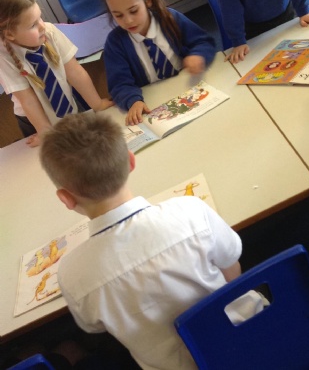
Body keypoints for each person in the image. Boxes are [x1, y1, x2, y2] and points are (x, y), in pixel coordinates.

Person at [39, 113, 264, 370]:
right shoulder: (190, 211)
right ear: (131, 161)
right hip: (258, 340)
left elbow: (95, 327)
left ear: (66, 198)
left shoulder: (72, 274)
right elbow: (232, 269)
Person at [101, 0, 216, 125]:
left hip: (188, 88)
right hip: (154, 103)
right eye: (118, 15)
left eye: (133, 11)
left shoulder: (170, 18)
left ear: (147, 0)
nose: (128, 20)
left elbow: (204, 42)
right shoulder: (115, 42)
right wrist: (133, 100)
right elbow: (119, 84)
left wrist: (198, 55)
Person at [0, 0, 113, 147]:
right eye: (33, 25)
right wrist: (44, 132)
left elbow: (75, 72)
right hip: (35, 120)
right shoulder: (3, 56)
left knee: (86, 145)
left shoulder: (49, 31)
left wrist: (97, 104)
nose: (42, 26)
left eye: (40, 17)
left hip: (67, 104)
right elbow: (28, 100)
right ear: (10, 34)